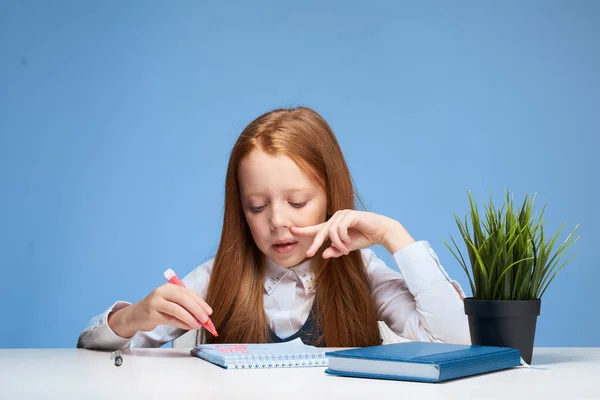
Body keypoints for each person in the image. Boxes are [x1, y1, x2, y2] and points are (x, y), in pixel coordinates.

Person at [77, 106, 470, 350]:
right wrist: (134, 317)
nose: (278, 222)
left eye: (297, 203)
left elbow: (457, 343)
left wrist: (392, 234)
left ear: (332, 198)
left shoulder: (361, 272)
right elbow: (89, 347)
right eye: (257, 206)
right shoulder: (218, 279)